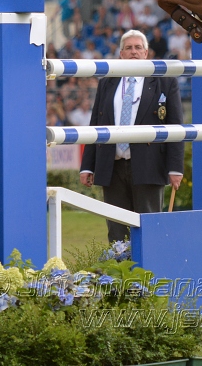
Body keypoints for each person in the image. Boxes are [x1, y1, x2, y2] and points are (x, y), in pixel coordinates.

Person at [79, 30, 184, 242]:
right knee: (117, 232)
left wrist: (175, 168)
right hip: (112, 166)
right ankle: (120, 274)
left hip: (149, 165)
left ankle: (150, 274)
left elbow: (176, 127)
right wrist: (87, 166)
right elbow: (96, 125)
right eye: (128, 48)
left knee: (149, 228)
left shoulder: (164, 82)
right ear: (120, 54)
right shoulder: (107, 82)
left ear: (146, 53)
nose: (133, 52)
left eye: (138, 48)